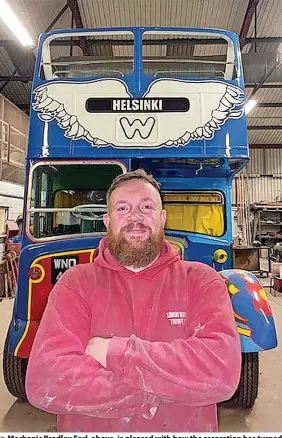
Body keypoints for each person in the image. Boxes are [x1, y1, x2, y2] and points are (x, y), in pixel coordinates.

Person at [26, 169, 241, 432]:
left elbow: (220, 374)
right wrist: (161, 388)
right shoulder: (75, 284)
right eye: (123, 208)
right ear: (107, 220)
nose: (135, 217)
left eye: (146, 207)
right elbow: (47, 381)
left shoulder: (201, 281)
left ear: (162, 218)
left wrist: (114, 352)